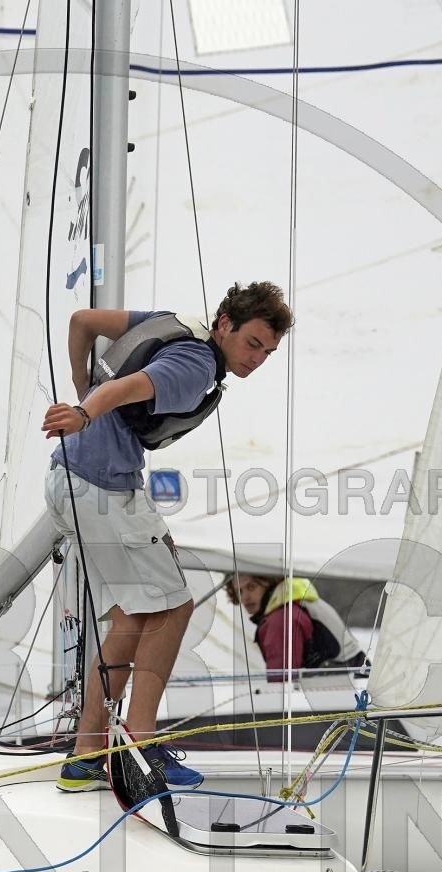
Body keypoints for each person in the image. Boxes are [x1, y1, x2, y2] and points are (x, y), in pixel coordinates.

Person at [44, 280, 294, 793]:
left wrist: (82, 389)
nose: (256, 359)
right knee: (175, 608)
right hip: (104, 487)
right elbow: (130, 388)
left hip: (70, 480)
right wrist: (87, 411)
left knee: (136, 614)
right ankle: (139, 749)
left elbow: (81, 321)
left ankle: (87, 754)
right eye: (252, 343)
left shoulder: (170, 323)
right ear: (224, 324)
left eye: (267, 353)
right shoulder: (197, 364)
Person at [222, 573, 367, 680]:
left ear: (270, 582)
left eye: (251, 587)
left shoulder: (282, 618)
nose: (245, 597)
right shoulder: (296, 602)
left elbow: (281, 682)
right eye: (239, 591)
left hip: (343, 691)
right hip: (356, 683)